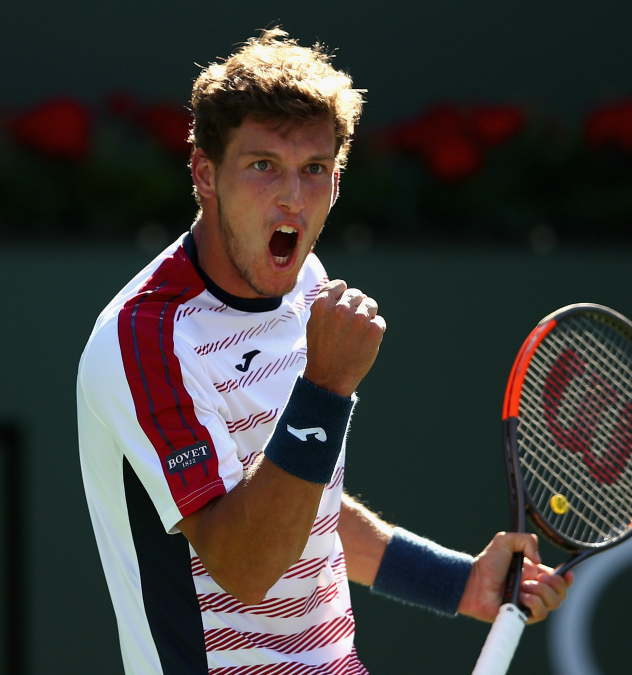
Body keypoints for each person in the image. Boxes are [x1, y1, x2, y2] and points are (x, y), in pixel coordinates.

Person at [76, 28, 571, 675]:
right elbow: (246, 566)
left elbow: (303, 504)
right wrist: (326, 389)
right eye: (263, 166)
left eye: (314, 170)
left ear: (337, 181)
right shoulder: (145, 339)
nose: (292, 199)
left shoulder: (306, 284)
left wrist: (458, 583)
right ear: (203, 173)